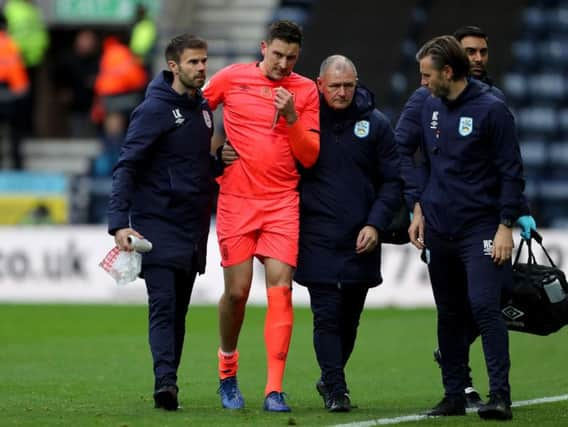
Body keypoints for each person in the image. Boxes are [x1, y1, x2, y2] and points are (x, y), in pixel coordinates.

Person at [395, 26, 536, 410]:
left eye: (427, 75)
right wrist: (417, 206)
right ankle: (454, 394)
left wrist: (507, 223)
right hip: (439, 227)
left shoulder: (492, 109)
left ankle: (500, 397)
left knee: (485, 307)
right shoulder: (427, 105)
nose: (421, 82)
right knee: (449, 313)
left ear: (448, 74)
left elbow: (512, 171)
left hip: (481, 226)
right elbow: (404, 153)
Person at [203, 20, 320, 412]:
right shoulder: (231, 79)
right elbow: (193, 113)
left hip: (282, 202)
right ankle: (227, 370)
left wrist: (291, 118)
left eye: (291, 58)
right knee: (237, 293)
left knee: (281, 289)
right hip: (236, 199)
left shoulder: (304, 91)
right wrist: (214, 155)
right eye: (277, 55)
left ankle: (274, 389)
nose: (283, 64)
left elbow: (310, 156)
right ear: (263, 47)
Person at [107, 33, 220, 411]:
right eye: (193, 62)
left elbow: (194, 167)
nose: (201, 68)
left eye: (204, 61)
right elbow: (128, 165)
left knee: (178, 312)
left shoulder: (203, 110)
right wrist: (119, 223)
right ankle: (165, 383)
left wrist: (220, 162)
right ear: (174, 66)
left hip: (191, 228)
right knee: (164, 304)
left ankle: (169, 379)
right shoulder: (153, 110)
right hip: (156, 225)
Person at [294, 55, 401, 412]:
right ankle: (337, 390)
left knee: (349, 319)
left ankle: (329, 377)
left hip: (362, 235)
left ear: (357, 84)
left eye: (348, 86)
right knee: (325, 315)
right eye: (335, 86)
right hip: (317, 235)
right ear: (319, 84)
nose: (342, 93)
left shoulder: (377, 125)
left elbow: (393, 181)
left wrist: (376, 223)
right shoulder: (303, 123)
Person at [0, 10, 28, 169]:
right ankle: (17, 164)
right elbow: (17, 71)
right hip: (10, 95)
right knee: (14, 133)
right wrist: (21, 90)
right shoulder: (11, 44)